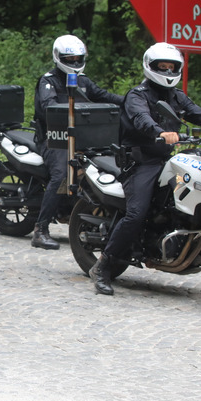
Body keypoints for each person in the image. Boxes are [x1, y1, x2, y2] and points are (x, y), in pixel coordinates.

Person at [90, 42, 201, 295]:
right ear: (150, 67)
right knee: (136, 214)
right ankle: (102, 266)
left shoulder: (177, 96)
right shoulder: (137, 95)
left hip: (164, 161)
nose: (168, 70)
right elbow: (142, 119)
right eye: (162, 66)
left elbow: (200, 114)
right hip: (139, 162)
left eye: (172, 66)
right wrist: (161, 132)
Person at [32, 35, 125, 250]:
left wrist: (131, 101)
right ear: (58, 57)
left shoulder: (83, 81)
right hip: (54, 139)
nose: (74, 63)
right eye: (69, 59)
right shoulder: (48, 81)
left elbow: (103, 96)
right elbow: (49, 107)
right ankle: (40, 229)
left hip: (81, 137)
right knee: (61, 174)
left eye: (78, 58)